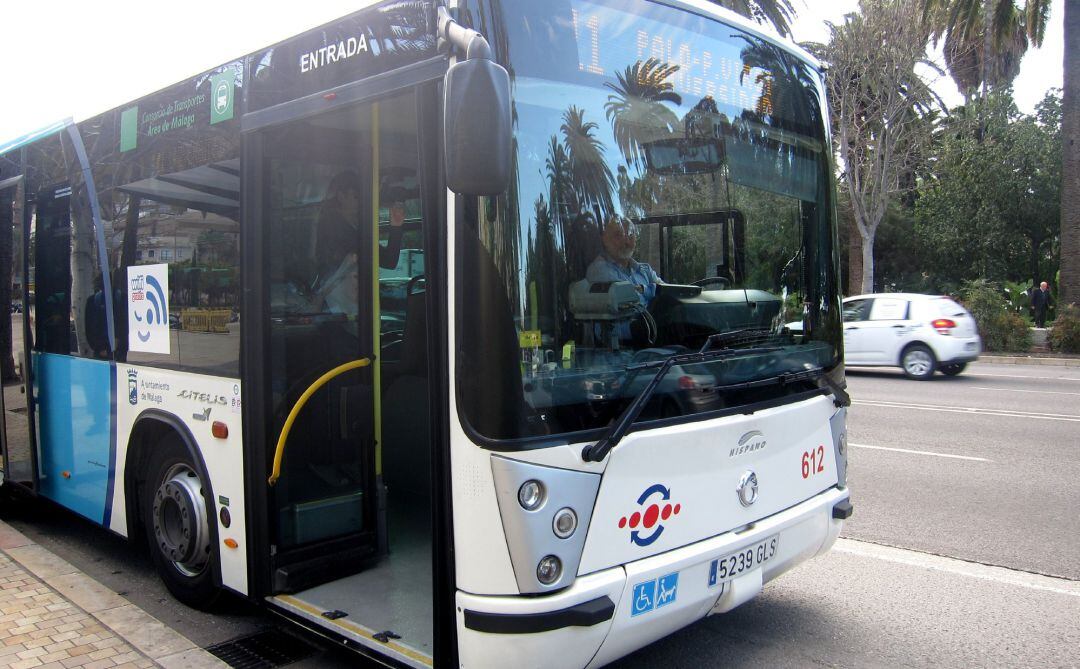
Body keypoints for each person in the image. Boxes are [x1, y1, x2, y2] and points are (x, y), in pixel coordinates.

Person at [313, 170, 405, 290]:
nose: (361, 201)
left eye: (363, 197)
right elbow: (387, 260)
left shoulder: (354, 226)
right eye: (356, 197)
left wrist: (395, 225)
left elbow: (389, 261)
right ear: (341, 196)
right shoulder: (335, 227)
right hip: (338, 299)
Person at [586, 215, 662, 308]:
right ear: (605, 239)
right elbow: (631, 301)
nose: (626, 241)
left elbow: (666, 290)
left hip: (649, 321)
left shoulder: (644, 269)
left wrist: (643, 289)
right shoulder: (599, 270)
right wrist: (652, 289)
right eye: (618, 235)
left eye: (630, 235)